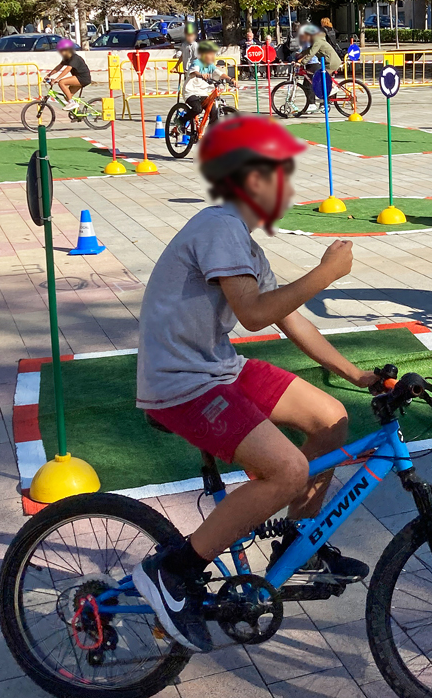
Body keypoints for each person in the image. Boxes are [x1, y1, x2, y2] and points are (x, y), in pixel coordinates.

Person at [131, 115, 375, 653]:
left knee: (331, 420)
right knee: (288, 469)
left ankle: (300, 543)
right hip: (183, 382)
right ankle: (173, 571)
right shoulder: (218, 226)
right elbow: (255, 314)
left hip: (217, 368)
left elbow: (294, 320)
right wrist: (326, 273)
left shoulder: (241, 240)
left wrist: (358, 375)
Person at [182, 41, 236, 127]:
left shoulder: (210, 65)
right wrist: (201, 74)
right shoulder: (197, 63)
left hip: (202, 93)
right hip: (190, 92)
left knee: (213, 110)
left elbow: (219, 73)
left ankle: (210, 132)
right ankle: (182, 120)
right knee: (197, 109)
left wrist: (230, 79)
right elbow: (194, 71)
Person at [299, 24, 342, 115]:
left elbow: (312, 53)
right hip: (328, 61)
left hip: (331, 62)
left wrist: (301, 62)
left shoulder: (317, 40)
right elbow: (309, 50)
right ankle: (323, 103)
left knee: (320, 79)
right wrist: (300, 55)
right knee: (320, 80)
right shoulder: (316, 39)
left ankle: (332, 89)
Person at [46, 39, 92, 115]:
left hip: (83, 78)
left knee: (62, 82)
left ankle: (72, 103)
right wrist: (49, 75)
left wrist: (57, 79)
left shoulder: (74, 58)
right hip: (78, 77)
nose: (60, 53)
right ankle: (78, 113)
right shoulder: (66, 58)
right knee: (68, 96)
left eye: (61, 51)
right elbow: (58, 67)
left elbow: (67, 69)